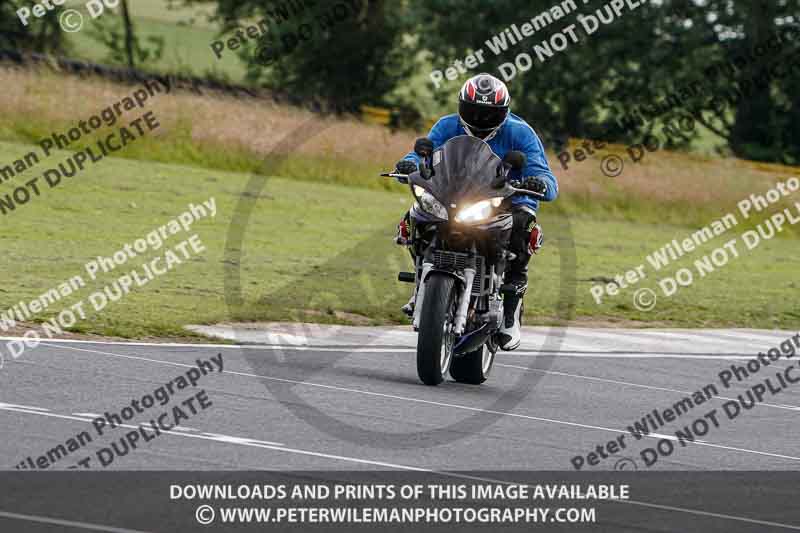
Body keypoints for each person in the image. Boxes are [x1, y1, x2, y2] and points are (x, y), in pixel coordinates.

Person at [394, 73, 558, 351]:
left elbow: (546, 178)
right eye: (474, 111)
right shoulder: (448, 125)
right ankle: (421, 273)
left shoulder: (520, 133)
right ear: (461, 106)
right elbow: (420, 154)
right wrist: (408, 165)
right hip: (454, 196)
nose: (480, 118)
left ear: (503, 112)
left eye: (489, 113)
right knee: (416, 213)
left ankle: (510, 310)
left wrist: (537, 183)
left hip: (504, 201)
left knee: (523, 226)